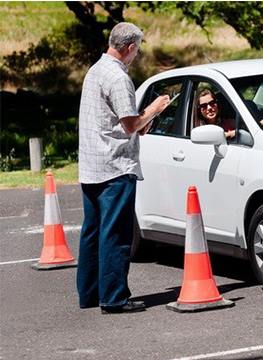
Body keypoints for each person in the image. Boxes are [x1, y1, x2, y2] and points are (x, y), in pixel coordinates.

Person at [77, 22, 170, 314]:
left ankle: (90, 293)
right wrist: (155, 108)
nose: (137, 55)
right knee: (116, 234)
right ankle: (114, 297)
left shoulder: (95, 71)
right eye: (137, 50)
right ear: (129, 48)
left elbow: (117, 121)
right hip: (115, 165)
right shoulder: (118, 78)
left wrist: (140, 122)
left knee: (92, 231)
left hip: (91, 163)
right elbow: (130, 124)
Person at [196, 89, 263, 139]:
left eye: (212, 103)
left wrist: (259, 123)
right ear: (199, 110)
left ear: (217, 104)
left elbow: (247, 127)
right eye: (203, 106)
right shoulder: (197, 128)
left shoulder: (228, 122)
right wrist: (229, 134)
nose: (209, 108)